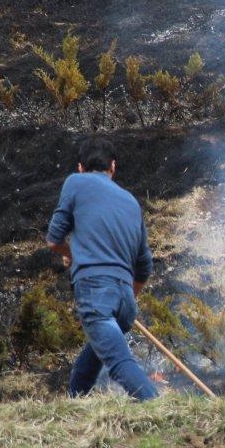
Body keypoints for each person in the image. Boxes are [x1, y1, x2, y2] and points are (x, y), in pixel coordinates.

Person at [46, 135, 158, 400]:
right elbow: (144, 267)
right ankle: (75, 404)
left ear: (81, 167)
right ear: (113, 167)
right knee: (97, 351)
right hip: (124, 299)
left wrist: (71, 254)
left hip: (96, 290)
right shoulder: (131, 201)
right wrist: (127, 296)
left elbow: (53, 240)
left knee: (119, 363)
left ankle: (155, 405)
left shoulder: (76, 183)